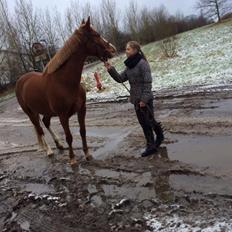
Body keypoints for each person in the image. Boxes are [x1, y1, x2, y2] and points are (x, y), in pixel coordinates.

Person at [104, 41, 164, 157]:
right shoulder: (129, 65)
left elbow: (148, 82)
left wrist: (144, 99)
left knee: (148, 122)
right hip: (136, 100)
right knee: (144, 123)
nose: (126, 51)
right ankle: (154, 142)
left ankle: (154, 142)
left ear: (135, 50)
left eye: (128, 49)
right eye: (126, 49)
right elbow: (120, 78)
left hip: (145, 100)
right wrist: (110, 69)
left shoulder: (142, 64)